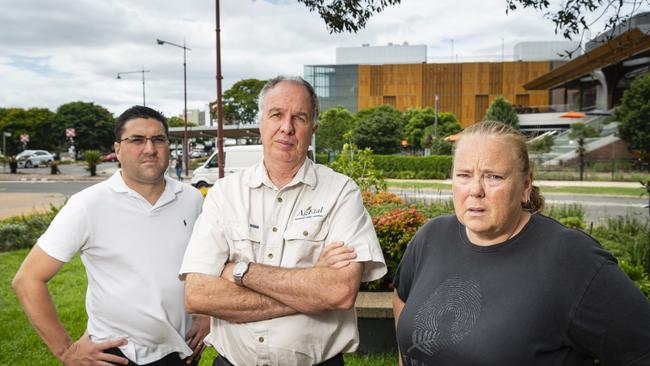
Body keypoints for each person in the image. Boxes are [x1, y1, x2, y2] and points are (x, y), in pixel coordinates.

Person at [392, 120, 650, 365]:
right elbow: (402, 297)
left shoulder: (572, 259)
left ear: (526, 185)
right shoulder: (432, 236)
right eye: (464, 175)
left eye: (494, 177)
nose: (475, 190)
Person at [179, 76, 387, 366]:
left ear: (313, 128)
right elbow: (198, 295)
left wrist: (241, 271)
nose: (286, 127)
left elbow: (339, 292)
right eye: (276, 114)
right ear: (261, 123)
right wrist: (310, 293)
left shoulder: (341, 192)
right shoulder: (225, 194)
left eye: (299, 117)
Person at [12, 106, 210, 366]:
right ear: (118, 149)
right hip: (118, 355)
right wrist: (65, 351)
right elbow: (27, 279)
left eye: (158, 139)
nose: (150, 149)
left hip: (181, 351)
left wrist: (207, 316)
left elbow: (206, 265)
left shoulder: (191, 199)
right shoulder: (88, 204)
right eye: (137, 140)